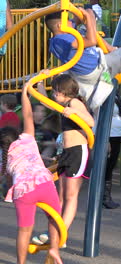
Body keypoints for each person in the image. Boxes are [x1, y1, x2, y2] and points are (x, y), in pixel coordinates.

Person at [0, 83, 63, 264]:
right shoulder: (27, 139)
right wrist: (25, 92)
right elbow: (27, 115)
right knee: (54, 219)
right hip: (44, 183)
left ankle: (21, 262)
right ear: (17, 135)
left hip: (24, 190)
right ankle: (54, 249)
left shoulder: (6, 159)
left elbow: (8, 179)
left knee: (25, 230)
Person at [32, 74, 94, 246]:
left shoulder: (74, 103)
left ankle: (60, 232)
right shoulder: (62, 104)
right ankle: (55, 230)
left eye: (56, 91)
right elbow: (45, 102)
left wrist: (74, 112)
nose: (54, 95)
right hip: (67, 153)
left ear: (64, 91)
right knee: (59, 196)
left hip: (78, 153)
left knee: (71, 196)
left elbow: (90, 121)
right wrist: (39, 83)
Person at [45, 9, 121, 111]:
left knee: (86, 31)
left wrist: (84, 11)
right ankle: (105, 81)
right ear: (60, 25)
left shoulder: (62, 36)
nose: (70, 22)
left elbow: (77, 20)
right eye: (68, 20)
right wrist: (89, 18)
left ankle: (99, 91)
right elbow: (91, 41)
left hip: (84, 74)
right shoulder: (61, 40)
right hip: (95, 69)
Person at [103, 103, 121, 209]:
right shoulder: (102, 95)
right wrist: (105, 139)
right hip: (109, 134)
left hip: (115, 134)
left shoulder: (113, 96)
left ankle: (106, 197)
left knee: (110, 165)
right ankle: (105, 198)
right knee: (107, 166)